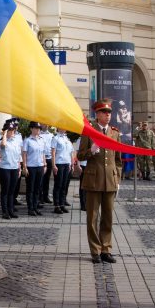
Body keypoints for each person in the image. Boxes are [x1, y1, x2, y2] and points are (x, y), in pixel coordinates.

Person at [77, 99, 122, 264]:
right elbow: (80, 155)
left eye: (109, 112)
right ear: (97, 114)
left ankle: (106, 249)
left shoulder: (114, 133)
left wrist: (117, 178)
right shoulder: (89, 131)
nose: (107, 115)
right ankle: (95, 250)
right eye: (104, 112)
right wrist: (91, 150)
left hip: (110, 180)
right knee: (93, 218)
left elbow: (118, 159)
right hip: (93, 179)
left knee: (108, 217)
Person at [22, 122, 47, 216]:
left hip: (40, 166)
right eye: (36, 128)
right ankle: (30, 208)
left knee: (37, 188)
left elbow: (43, 153)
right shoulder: (27, 140)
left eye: (39, 128)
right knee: (30, 188)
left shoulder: (41, 140)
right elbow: (24, 154)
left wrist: (45, 165)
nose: (38, 130)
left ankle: (36, 207)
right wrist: (24, 166)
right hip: (31, 167)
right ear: (31, 129)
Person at [0, 119, 21, 219]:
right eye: (10, 130)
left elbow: (18, 156)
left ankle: (11, 210)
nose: (12, 132)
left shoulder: (16, 141)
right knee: (5, 191)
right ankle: (5, 212)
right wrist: (5, 133)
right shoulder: (2, 141)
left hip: (14, 168)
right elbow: (3, 145)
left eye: (13, 130)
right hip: (5, 168)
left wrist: (19, 168)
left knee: (12, 191)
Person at [51, 127, 76, 214]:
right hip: (59, 163)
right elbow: (53, 152)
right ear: (58, 128)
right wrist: (53, 165)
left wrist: (72, 164)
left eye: (65, 127)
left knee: (64, 185)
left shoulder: (67, 139)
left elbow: (71, 153)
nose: (64, 128)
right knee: (58, 184)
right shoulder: (55, 138)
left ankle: (62, 204)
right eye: (62, 127)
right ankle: (56, 205)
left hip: (67, 163)